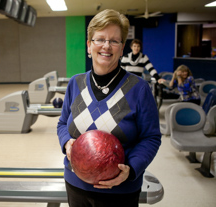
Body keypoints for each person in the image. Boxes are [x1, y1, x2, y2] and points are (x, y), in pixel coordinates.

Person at [57, 9, 161, 207]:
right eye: (99, 39)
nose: (106, 46)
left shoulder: (139, 89)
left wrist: (130, 169)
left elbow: (152, 137)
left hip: (120, 191)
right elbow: (62, 123)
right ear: (89, 45)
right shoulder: (75, 84)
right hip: (75, 184)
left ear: (122, 49)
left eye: (114, 41)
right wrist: (66, 143)